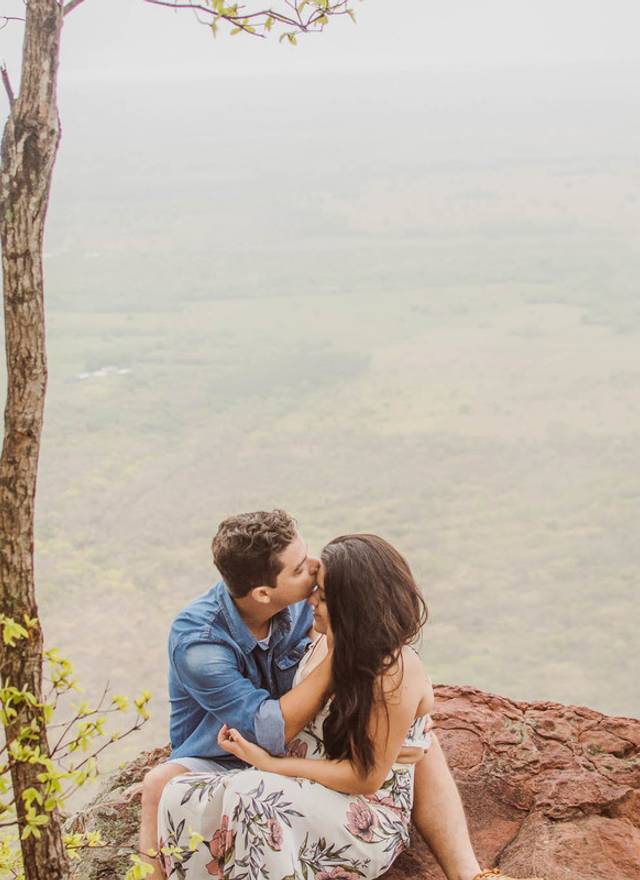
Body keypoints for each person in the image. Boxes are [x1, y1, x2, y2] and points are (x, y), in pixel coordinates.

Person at [140, 511, 535, 880]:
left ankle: (469, 874)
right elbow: (271, 728)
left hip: (339, 795)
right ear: (263, 593)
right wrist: (342, 647)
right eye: (300, 570)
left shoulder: (312, 618)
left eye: (320, 582)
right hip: (232, 753)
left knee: (419, 742)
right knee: (171, 791)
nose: (312, 576)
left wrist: (403, 728)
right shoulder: (202, 643)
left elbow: (367, 765)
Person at [157, 532, 434, 879]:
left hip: (366, 814)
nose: (310, 600)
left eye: (323, 594)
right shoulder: (317, 643)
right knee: (180, 795)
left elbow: (366, 777)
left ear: (352, 606)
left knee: (253, 793)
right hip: (306, 790)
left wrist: (272, 765)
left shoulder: (392, 669)